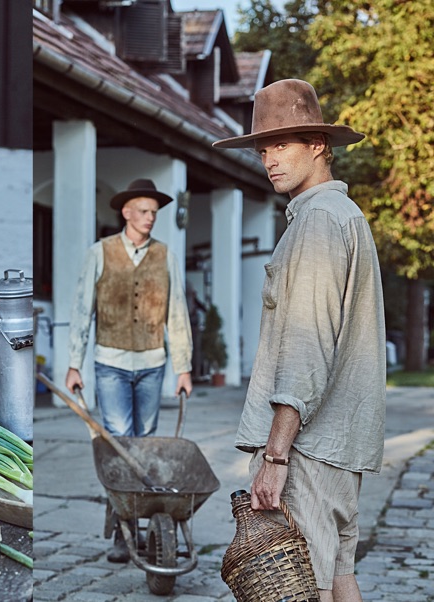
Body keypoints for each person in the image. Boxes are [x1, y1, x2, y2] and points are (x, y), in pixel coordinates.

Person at [213, 79, 385, 601]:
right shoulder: (342, 216)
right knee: (337, 576)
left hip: (309, 446)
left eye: (282, 145)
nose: (269, 159)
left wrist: (276, 455)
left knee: (302, 583)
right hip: (341, 442)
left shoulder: (317, 221)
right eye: (263, 148)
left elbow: (308, 346)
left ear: (318, 145)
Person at [65, 178, 193, 562]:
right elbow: (81, 312)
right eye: (143, 211)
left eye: (154, 212)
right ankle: (123, 530)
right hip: (111, 364)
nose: (150, 218)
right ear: (126, 212)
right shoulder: (99, 253)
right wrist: (74, 363)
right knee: (120, 445)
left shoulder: (165, 255)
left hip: (153, 364)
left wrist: (182, 368)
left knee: (147, 444)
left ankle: (146, 524)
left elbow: (177, 313)